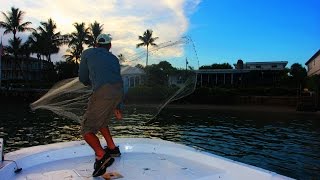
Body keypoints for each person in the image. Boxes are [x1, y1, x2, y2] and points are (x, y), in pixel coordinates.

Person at [79, 33, 123, 177]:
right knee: (102, 121)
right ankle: (112, 148)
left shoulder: (87, 53)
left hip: (103, 92)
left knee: (86, 128)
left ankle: (101, 155)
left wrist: (89, 82)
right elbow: (117, 79)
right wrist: (118, 106)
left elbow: (83, 78)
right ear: (109, 46)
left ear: (96, 45)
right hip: (118, 92)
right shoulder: (114, 59)